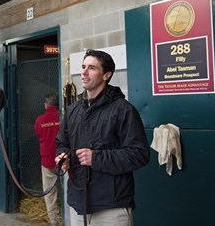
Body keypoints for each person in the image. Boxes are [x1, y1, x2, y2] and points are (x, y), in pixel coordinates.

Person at [55, 49, 150, 226]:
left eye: (91, 68)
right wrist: (63, 157)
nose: (83, 72)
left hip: (111, 208)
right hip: (78, 203)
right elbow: (62, 143)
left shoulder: (124, 110)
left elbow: (139, 154)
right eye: (83, 67)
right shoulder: (72, 110)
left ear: (106, 75)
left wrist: (96, 158)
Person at [35, 93, 61, 226]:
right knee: (68, 189)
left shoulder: (40, 120)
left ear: (46, 105)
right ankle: (70, 218)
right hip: (64, 160)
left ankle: (54, 221)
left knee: (50, 192)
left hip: (47, 160)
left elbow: (39, 134)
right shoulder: (63, 117)